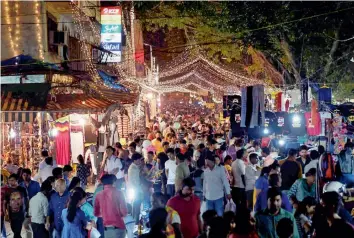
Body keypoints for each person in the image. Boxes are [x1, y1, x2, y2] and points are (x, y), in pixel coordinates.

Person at [127, 153, 144, 224]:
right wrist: (140, 188)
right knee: (137, 206)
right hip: (136, 190)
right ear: (135, 160)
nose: (141, 161)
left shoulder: (134, 167)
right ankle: (136, 222)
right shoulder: (133, 168)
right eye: (140, 160)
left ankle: (135, 221)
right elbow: (136, 181)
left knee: (136, 205)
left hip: (135, 189)